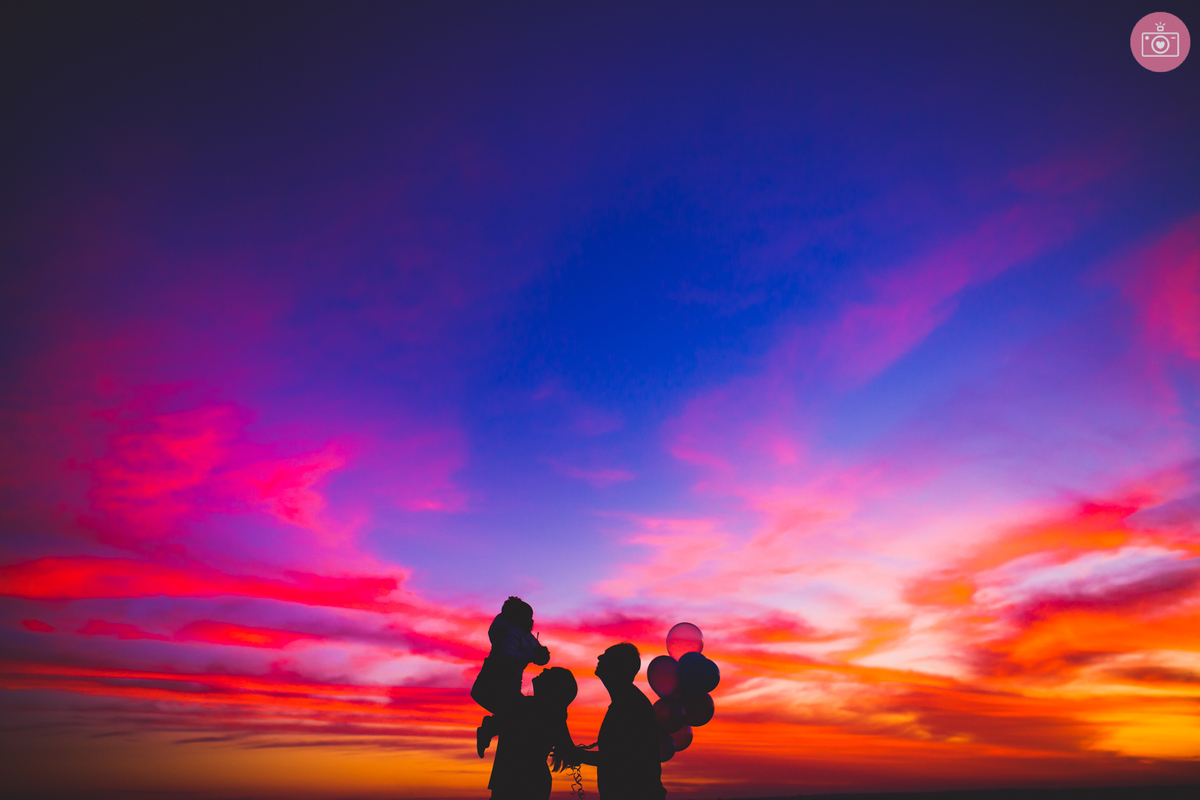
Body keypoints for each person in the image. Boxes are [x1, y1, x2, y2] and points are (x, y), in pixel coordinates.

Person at [566, 642, 666, 800]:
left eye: (607, 656)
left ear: (620, 667)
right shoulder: (627, 702)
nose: (599, 657)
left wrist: (579, 755)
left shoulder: (630, 706)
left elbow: (619, 759)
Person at [477, 665, 579, 800]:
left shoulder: (530, 708)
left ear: (554, 688)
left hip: (516, 781)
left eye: (551, 672)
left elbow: (481, 694)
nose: (544, 670)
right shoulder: (550, 714)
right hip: (525, 781)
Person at [471, 596, 551, 757]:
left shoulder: (525, 635)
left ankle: (490, 726)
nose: (531, 621)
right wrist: (532, 654)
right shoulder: (511, 632)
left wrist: (542, 655)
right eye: (528, 617)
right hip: (495, 682)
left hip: (510, 683)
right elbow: (508, 657)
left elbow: (536, 652)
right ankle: (490, 727)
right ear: (518, 617)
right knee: (519, 714)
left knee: (519, 714)